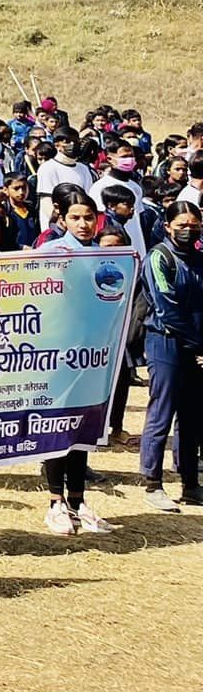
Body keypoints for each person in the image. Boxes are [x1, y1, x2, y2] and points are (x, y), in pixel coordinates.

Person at [36, 193, 116, 536]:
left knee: (82, 430)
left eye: (89, 218)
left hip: (91, 355)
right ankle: (56, 503)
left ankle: (78, 500)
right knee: (59, 429)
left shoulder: (104, 257)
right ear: (62, 218)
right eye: (76, 218)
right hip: (57, 354)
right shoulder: (51, 253)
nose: (83, 224)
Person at [140, 200, 203, 510]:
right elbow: (166, 306)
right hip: (165, 341)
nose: (188, 231)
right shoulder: (159, 258)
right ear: (167, 227)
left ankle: (190, 483)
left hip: (195, 344)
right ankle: (153, 483)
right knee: (162, 412)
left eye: (194, 225)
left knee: (193, 416)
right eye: (181, 226)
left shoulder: (199, 259)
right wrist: (196, 341)